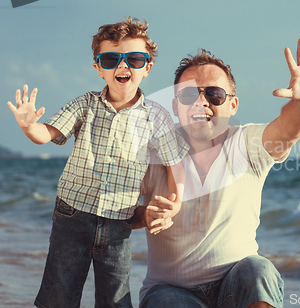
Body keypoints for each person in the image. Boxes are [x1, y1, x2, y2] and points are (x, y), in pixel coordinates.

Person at [133, 38, 300, 308]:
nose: (201, 102)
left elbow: (288, 128)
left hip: (236, 286)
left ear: (233, 105)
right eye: (189, 95)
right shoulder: (153, 153)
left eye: (214, 94)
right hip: (171, 290)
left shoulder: (247, 144)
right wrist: (144, 215)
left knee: (258, 271)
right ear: (176, 105)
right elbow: (111, 210)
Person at [6, 17, 187, 308]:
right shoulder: (85, 105)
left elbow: (174, 163)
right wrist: (29, 126)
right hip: (71, 215)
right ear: (98, 68)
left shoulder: (156, 117)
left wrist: (174, 204)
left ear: (147, 68)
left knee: (115, 299)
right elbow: (47, 134)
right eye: (111, 58)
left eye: (135, 59)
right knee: (58, 296)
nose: (123, 65)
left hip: (119, 222)